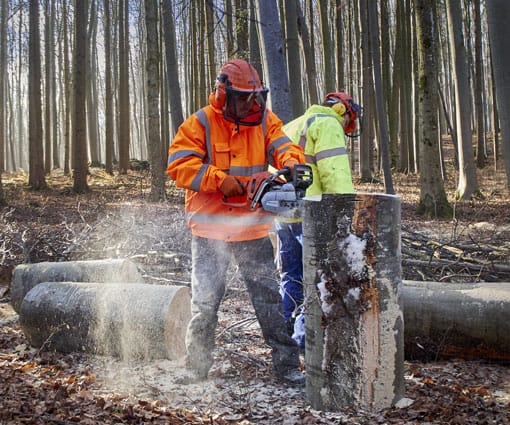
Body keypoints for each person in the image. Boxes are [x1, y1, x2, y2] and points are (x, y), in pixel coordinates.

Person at [167, 59, 306, 386]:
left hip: (251, 229)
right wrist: (218, 180)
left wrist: (292, 166)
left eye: (254, 96)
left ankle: (286, 367)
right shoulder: (200, 122)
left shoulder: (264, 121)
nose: (250, 103)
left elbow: (284, 145)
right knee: (205, 303)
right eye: (244, 96)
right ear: (224, 94)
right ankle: (196, 367)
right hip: (210, 232)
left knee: (269, 299)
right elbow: (178, 164)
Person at [275, 92, 362, 348]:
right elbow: (334, 173)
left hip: (283, 212)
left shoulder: (293, 124)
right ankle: (305, 340)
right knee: (318, 275)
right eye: (347, 119)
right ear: (340, 111)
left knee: (291, 273)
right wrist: (345, 214)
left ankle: (284, 332)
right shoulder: (327, 124)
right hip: (313, 212)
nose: (345, 125)